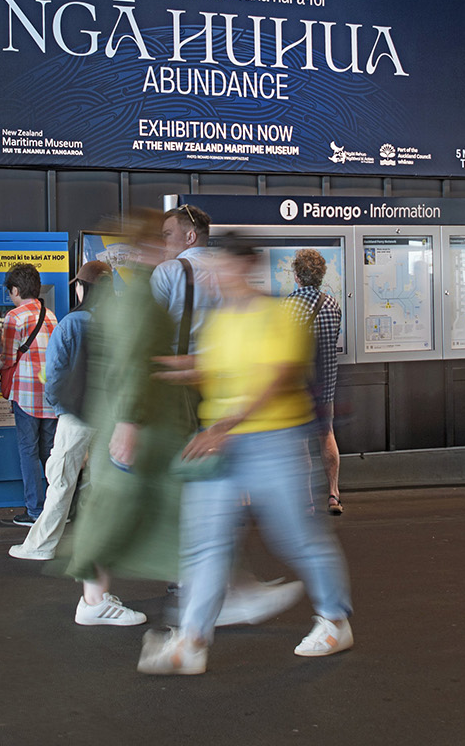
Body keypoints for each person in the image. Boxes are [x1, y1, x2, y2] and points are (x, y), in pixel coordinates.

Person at [137, 237, 355, 675]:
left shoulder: (279, 317)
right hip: (220, 446)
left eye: (220, 267)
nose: (213, 277)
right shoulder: (219, 321)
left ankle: (335, 621)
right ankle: (191, 642)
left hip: (274, 442)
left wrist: (224, 426)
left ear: (247, 267)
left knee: (297, 537)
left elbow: (275, 379)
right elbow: (212, 365)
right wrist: (169, 367)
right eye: (210, 269)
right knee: (206, 542)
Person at [59, 213, 180, 627]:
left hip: (112, 418)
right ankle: (93, 600)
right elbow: (132, 361)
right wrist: (130, 421)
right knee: (118, 508)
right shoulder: (140, 298)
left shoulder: (117, 299)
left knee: (110, 505)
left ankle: (94, 597)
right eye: (163, 238)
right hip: (127, 425)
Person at [10, 261, 110, 561]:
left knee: (61, 481)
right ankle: (99, 546)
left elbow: (54, 375)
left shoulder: (72, 323)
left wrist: (59, 407)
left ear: (82, 288)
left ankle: (40, 546)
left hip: (75, 414)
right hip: (108, 416)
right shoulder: (113, 323)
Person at [286, 249, 345, 515]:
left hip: (297, 386)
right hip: (326, 383)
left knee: (300, 442)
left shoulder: (287, 306)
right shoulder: (332, 304)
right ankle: (333, 494)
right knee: (327, 434)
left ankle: (308, 502)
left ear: (297, 276)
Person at [0, 261, 57, 526]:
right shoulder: (51, 315)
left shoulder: (15, 317)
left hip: (26, 395)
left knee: (28, 451)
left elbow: (8, 358)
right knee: (51, 453)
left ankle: (34, 511)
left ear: (15, 290)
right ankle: (55, 510)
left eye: (10, 291)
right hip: (51, 395)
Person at [153, 203, 219, 358]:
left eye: (167, 234)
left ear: (190, 237)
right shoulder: (229, 271)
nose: (163, 242)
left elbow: (151, 328)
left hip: (179, 370)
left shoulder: (168, 271)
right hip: (221, 370)